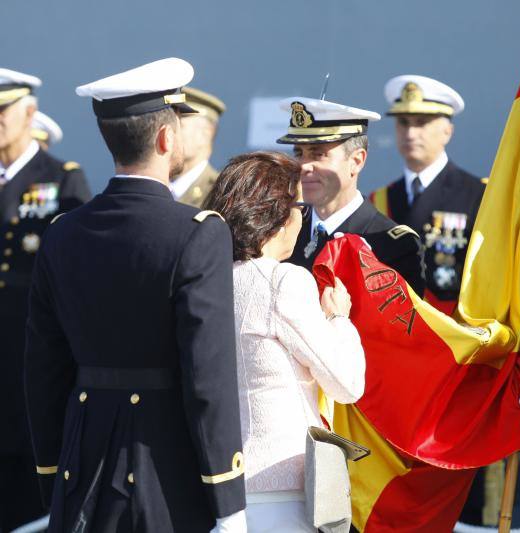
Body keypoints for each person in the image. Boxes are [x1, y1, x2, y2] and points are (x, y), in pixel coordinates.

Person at [24, 58, 246, 532]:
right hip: (165, 472)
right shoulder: (197, 234)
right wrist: (227, 496)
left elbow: (43, 369)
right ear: (167, 139)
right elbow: (209, 378)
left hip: (80, 465)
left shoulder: (63, 233)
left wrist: (52, 474)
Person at [204, 150, 366, 532]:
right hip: (282, 486)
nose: (300, 217)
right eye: (298, 206)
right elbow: (347, 384)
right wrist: (340, 319)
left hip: (221, 484)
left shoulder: (202, 281)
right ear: (275, 214)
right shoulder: (282, 281)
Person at [0, 68, 90, 532]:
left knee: (28, 477)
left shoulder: (61, 180)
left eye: (2, 111)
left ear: (29, 112)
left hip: (31, 351)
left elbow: (76, 277)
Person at [280, 97, 426, 294]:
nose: (303, 166)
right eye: (299, 153)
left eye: (318, 154)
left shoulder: (392, 245)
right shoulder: (282, 230)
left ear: (356, 161)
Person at [369, 75, 484, 312]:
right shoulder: (379, 200)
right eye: (403, 122)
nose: (410, 133)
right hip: (396, 328)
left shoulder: (479, 195)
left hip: (455, 332)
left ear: (447, 131)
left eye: (421, 122)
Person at [171, 86, 226, 207]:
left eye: (179, 125)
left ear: (206, 133)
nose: (168, 133)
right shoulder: (154, 188)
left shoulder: (220, 194)